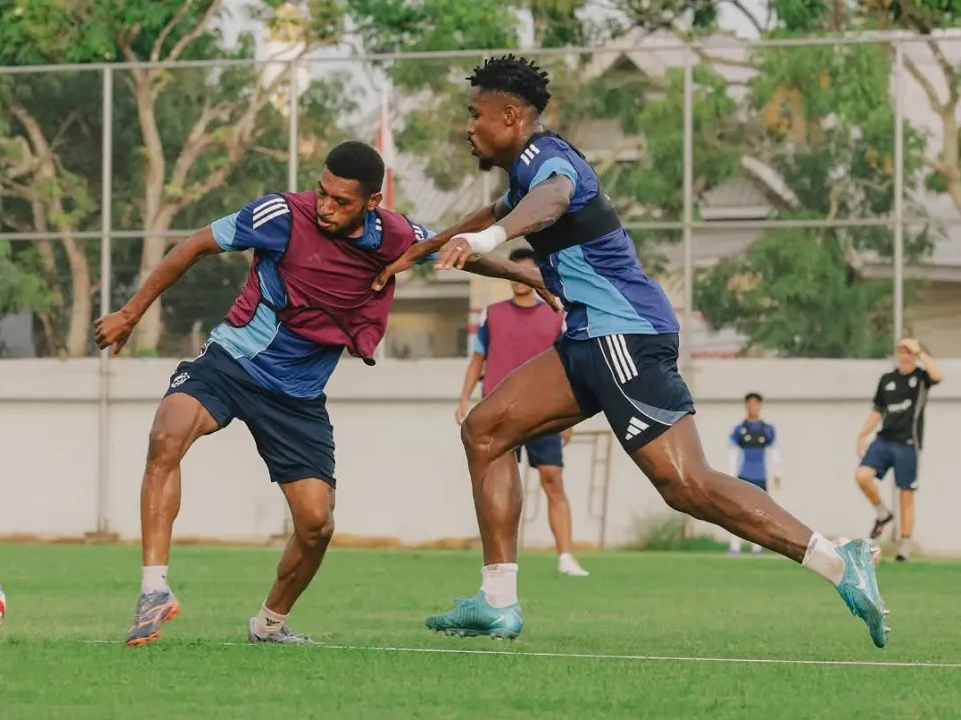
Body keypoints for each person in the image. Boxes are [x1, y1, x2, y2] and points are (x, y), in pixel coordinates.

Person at [373, 55, 889, 648]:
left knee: (686, 485)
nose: (468, 127)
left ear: (511, 116)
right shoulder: (520, 179)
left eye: (476, 114)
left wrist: (485, 238)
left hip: (623, 334)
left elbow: (550, 202)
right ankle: (497, 602)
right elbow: (493, 218)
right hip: (587, 340)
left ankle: (838, 559)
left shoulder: (547, 159)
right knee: (485, 431)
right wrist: (416, 252)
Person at [94, 140, 558, 648]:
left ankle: (269, 625)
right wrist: (130, 314)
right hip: (233, 361)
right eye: (322, 192)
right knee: (167, 435)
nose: (325, 206)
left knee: (316, 524)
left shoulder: (395, 235)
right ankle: (153, 589)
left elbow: (456, 250)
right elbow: (194, 245)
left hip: (297, 396)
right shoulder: (281, 215)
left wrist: (520, 272)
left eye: (341, 201)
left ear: (371, 203)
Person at [459, 247, 587, 576]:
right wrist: (464, 398)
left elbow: (569, 367)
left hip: (544, 411)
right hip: (499, 413)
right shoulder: (493, 314)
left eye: (526, 270)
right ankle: (500, 561)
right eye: (514, 270)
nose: (519, 278)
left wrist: (570, 414)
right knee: (499, 485)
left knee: (553, 480)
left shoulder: (557, 315)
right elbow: (478, 359)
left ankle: (566, 556)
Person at [856, 337, 943, 562]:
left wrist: (921, 352)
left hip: (908, 443)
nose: (905, 355)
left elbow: (938, 376)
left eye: (909, 351)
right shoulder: (887, 379)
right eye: (902, 351)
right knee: (862, 475)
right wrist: (863, 434)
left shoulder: (921, 377)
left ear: (914, 354)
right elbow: (878, 410)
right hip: (884, 440)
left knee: (906, 495)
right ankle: (883, 512)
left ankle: (904, 545)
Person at [727, 392, 780, 556]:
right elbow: (732, 451)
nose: (753, 407)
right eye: (750, 404)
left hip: (760, 476)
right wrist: (731, 474)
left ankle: (757, 547)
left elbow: (775, 450)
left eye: (756, 404)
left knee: (760, 513)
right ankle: (735, 547)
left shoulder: (767, 428)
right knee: (737, 512)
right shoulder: (739, 428)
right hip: (743, 475)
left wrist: (777, 473)